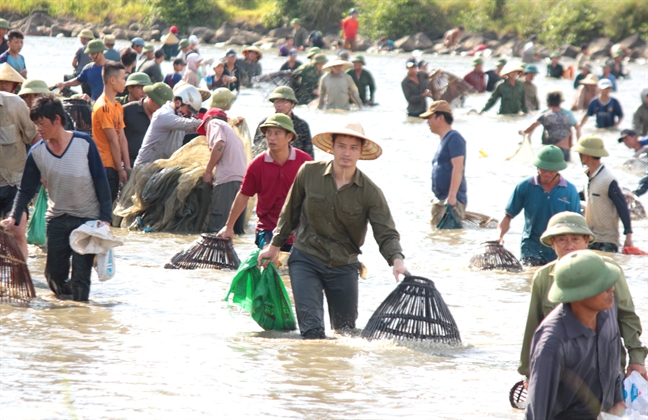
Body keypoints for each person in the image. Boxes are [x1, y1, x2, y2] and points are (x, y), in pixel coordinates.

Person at [257, 122, 408, 339]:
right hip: (306, 259)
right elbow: (289, 213)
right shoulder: (309, 172)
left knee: (345, 334)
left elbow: (386, 232)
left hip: (344, 266)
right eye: (342, 146)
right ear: (332, 147)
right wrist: (274, 247)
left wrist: (397, 260)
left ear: (361, 152)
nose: (347, 152)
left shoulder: (370, 192)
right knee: (312, 332)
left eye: (353, 148)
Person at [2, 95, 113, 302]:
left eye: (42, 124)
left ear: (57, 120)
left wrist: (106, 218)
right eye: (36, 125)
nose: (38, 130)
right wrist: (13, 216)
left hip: (87, 220)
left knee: (81, 277)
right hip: (57, 218)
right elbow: (25, 189)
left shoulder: (84, 143)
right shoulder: (37, 152)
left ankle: (80, 322)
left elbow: (101, 181)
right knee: (53, 276)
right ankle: (67, 313)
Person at [518, 212, 647, 383]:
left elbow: (626, 316)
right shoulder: (543, 277)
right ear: (552, 243)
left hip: (606, 366)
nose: (569, 246)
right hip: (563, 369)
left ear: (586, 241)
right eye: (562, 239)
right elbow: (534, 326)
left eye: (575, 239)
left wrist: (636, 359)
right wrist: (529, 372)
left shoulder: (609, 271)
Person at [524, 250, 627, 419]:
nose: (611, 288)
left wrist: (617, 398)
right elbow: (537, 412)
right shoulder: (552, 343)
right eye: (602, 285)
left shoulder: (607, 311)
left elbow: (613, 359)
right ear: (579, 295)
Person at [218, 113, 313, 249]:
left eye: (277, 133)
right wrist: (229, 227)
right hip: (267, 229)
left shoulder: (305, 162)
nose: (271, 138)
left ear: (289, 137)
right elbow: (243, 195)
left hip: (299, 230)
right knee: (268, 257)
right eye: (268, 133)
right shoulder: (257, 164)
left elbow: (317, 195)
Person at [498, 145, 581, 266]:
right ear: (537, 166)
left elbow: (576, 224)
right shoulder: (525, 186)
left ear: (558, 169)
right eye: (543, 169)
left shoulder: (569, 190)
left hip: (558, 247)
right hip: (531, 246)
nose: (546, 173)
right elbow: (508, 215)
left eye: (551, 170)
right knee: (530, 276)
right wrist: (499, 236)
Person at [572, 135, 633, 252]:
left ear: (586, 155)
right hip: (590, 237)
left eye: (580, 154)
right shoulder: (587, 176)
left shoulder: (608, 180)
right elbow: (585, 196)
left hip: (607, 239)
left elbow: (622, 207)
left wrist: (628, 235)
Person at [0, 89, 38, 259]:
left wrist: (43, 171)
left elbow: (35, 138)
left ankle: (22, 276)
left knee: (17, 230)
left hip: (15, 182)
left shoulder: (15, 104)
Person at [198, 108, 248, 233]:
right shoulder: (232, 132)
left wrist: (208, 171)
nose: (205, 131)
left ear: (208, 118)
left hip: (227, 181)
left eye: (204, 127)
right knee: (236, 231)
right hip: (241, 181)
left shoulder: (213, 123)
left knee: (217, 228)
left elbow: (219, 144)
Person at [421, 101, 467, 226]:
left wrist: (452, 198)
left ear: (440, 118)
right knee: (440, 240)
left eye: (430, 118)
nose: (428, 122)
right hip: (442, 199)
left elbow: (458, 167)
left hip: (450, 201)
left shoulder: (454, 138)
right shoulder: (444, 140)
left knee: (450, 240)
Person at [134, 84, 201, 167]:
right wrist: (208, 123)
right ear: (178, 102)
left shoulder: (180, 117)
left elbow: (195, 125)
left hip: (162, 169)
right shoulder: (163, 115)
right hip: (144, 170)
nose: (189, 114)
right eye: (188, 110)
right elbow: (191, 124)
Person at [91, 61, 129, 203]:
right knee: (104, 207)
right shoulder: (103, 107)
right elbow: (113, 140)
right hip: (105, 164)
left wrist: (127, 166)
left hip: (116, 164)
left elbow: (122, 138)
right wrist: (120, 169)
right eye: (123, 78)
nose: (125, 82)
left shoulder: (118, 106)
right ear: (112, 80)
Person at [253, 86, 314, 158]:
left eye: (284, 102)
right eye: (277, 102)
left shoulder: (302, 125)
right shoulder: (264, 124)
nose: (280, 105)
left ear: (292, 104)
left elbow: (309, 154)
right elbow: (257, 151)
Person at [123, 82, 173, 167]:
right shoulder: (127, 111)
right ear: (151, 100)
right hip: (132, 166)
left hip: (155, 167)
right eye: (161, 106)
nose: (163, 109)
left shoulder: (163, 116)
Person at [520, 91, 580, 161]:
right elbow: (571, 133)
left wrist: (522, 132)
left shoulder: (546, 116)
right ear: (560, 103)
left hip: (554, 151)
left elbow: (532, 127)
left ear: (548, 103)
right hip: (566, 151)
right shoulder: (567, 116)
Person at [68, 28, 94, 96]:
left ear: (86, 39)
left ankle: (67, 95)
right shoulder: (95, 49)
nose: (80, 40)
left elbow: (74, 63)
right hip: (91, 74)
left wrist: (77, 68)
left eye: (81, 38)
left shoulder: (81, 49)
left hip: (80, 73)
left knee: (66, 78)